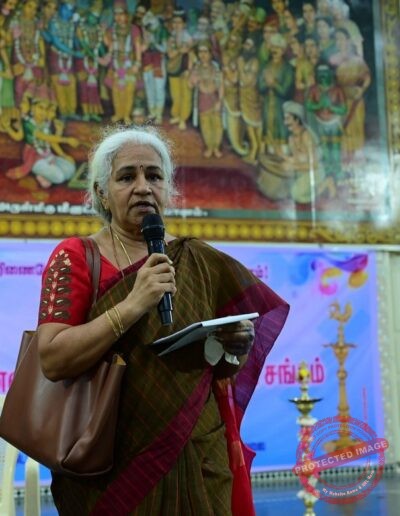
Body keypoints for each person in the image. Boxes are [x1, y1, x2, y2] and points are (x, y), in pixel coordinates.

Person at [37, 125, 289, 515]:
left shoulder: (198, 261)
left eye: (154, 176)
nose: (143, 187)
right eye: (127, 177)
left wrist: (233, 346)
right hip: (111, 462)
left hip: (198, 456)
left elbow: (213, 369)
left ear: (168, 189)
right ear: (101, 192)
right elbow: (52, 359)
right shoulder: (76, 257)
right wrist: (133, 304)